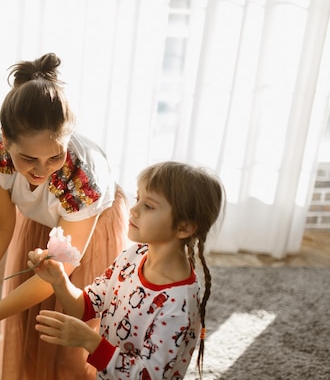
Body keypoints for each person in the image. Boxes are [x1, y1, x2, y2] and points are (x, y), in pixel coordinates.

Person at [0, 53, 130, 380]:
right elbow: (1, 226)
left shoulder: (80, 180)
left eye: (54, 156)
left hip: (88, 230)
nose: (41, 170)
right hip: (38, 222)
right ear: (5, 140)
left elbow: (57, 272)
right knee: (27, 331)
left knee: (70, 349)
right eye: (28, 158)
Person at [28, 161, 225, 380]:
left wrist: (90, 341)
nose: (133, 209)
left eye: (148, 206)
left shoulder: (179, 303)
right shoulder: (133, 256)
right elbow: (85, 306)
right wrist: (60, 281)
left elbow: (149, 376)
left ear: (184, 228)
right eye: (138, 199)